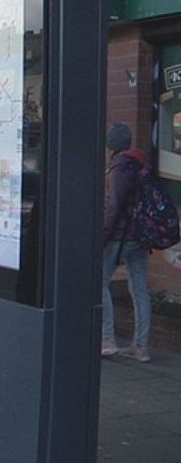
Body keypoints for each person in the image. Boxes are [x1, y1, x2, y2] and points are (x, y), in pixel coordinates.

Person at [101, 122, 152, 362]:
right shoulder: (140, 166)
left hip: (120, 237)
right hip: (140, 236)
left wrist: (103, 235)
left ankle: (107, 339)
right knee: (139, 288)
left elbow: (114, 206)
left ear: (111, 145)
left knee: (98, 283)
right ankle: (140, 346)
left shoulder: (119, 168)